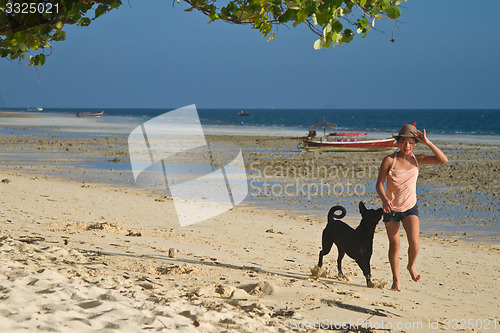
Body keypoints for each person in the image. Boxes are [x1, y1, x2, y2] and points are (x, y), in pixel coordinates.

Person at [376, 124, 448, 291]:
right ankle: (396, 280)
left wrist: (428, 142)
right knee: (395, 245)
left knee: (414, 243)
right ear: (397, 142)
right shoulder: (389, 160)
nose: (407, 146)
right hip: (391, 209)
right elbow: (379, 184)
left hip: (410, 208)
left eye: (410, 143)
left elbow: (443, 160)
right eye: (403, 142)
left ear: (415, 144)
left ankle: (410, 266)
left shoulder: (418, 159)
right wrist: (384, 199)